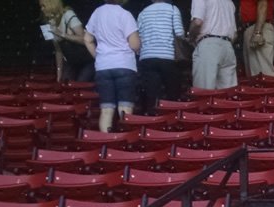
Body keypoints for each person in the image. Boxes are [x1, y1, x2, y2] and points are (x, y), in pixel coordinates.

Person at [84, 0, 141, 133]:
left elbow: (87, 39)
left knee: (106, 110)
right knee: (125, 109)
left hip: (103, 66)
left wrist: (98, 57)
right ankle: (124, 143)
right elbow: (134, 45)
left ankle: (106, 144)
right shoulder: (125, 14)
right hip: (124, 65)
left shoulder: (97, 13)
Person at [136, 0, 186, 110]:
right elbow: (179, 33)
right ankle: (170, 119)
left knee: (151, 94)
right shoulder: (173, 9)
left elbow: (138, 35)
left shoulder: (143, 12)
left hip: (147, 56)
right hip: (168, 57)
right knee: (172, 93)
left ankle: (151, 119)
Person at [190, 0, 240, 91]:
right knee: (227, 96)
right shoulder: (229, 2)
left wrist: (191, 37)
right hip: (228, 46)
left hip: (209, 45)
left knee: (204, 92)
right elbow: (235, 34)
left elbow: (197, 22)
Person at [41, 0, 93, 83]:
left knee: (80, 84)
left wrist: (62, 34)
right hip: (71, 61)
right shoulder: (47, 23)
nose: (42, 9)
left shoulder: (68, 14)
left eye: (43, 6)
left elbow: (84, 39)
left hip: (86, 60)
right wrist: (59, 73)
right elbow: (58, 50)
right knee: (66, 85)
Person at [242, 0, 274, 77]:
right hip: (252, 28)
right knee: (253, 77)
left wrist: (257, 32)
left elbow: (262, 4)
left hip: (259, 27)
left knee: (263, 75)